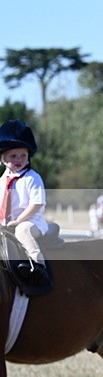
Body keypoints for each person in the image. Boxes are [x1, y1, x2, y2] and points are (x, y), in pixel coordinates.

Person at [0, 119, 49, 284]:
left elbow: (36, 204)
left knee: (22, 231)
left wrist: (18, 220)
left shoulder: (32, 178)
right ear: (2, 158)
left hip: (31, 221)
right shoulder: (2, 180)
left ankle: (38, 265)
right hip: (7, 223)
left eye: (23, 155)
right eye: (13, 156)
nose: (19, 159)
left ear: (28, 157)